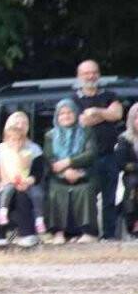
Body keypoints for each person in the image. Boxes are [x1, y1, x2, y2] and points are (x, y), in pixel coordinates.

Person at [71, 60, 124, 238]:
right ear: (79, 76)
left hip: (109, 155)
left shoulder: (110, 94)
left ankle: (109, 236)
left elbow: (117, 114)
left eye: (94, 72)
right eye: (86, 73)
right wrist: (105, 114)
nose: (90, 76)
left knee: (110, 199)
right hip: (85, 158)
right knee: (88, 198)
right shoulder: (73, 99)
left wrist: (95, 111)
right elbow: (81, 122)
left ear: (99, 74)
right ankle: (89, 235)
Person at [44, 99, 98, 243]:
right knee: (55, 190)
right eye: (62, 113)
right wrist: (64, 172)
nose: (66, 116)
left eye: (69, 112)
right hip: (59, 176)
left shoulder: (86, 131)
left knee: (85, 189)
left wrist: (69, 162)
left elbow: (90, 154)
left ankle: (88, 232)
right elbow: (50, 158)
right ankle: (58, 233)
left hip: (83, 174)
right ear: (57, 116)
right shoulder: (50, 135)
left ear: (76, 113)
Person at [0, 112, 46, 238]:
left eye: (24, 123)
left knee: (23, 195)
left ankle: (28, 234)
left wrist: (27, 182)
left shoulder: (34, 149)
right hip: (6, 183)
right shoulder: (0, 149)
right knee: (4, 194)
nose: (21, 126)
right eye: (17, 123)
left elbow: (37, 173)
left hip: (26, 183)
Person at [116, 104, 138, 237]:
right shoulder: (124, 139)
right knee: (133, 183)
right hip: (132, 175)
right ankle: (134, 222)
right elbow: (122, 163)